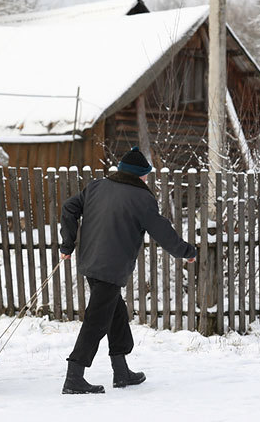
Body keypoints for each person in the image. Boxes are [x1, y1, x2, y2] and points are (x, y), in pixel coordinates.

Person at [59, 147, 196, 394]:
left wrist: (68, 244)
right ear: (139, 174)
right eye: (145, 175)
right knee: (97, 320)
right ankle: (74, 377)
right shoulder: (142, 198)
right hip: (110, 267)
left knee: (115, 313)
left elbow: (69, 207)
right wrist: (186, 251)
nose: (146, 179)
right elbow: (162, 231)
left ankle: (121, 371)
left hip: (90, 262)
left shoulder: (96, 186)